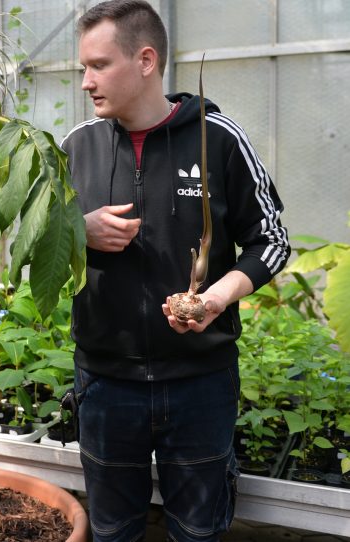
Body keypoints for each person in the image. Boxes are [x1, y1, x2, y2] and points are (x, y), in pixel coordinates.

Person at [60, 1, 290, 541]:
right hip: (106, 383)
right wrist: (79, 230)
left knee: (198, 530)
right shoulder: (75, 148)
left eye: (98, 66)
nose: (86, 82)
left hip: (199, 383)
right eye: (82, 69)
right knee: (113, 530)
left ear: (145, 60)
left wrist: (214, 300)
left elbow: (272, 242)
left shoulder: (219, 139)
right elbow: (36, 246)